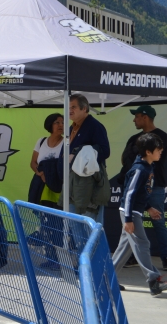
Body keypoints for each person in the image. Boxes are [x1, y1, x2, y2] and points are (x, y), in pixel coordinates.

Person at [112, 133, 167, 296]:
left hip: (134, 212)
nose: (161, 151)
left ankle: (106, 277)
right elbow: (129, 194)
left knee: (125, 248)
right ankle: (154, 280)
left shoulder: (148, 167)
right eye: (158, 149)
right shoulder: (139, 169)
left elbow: (141, 192)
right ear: (148, 152)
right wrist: (128, 219)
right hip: (130, 213)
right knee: (142, 244)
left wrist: (148, 207)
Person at [118, 105, 167, 270]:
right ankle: (132, 259)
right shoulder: (134, 140)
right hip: (136, 186)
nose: (134, 120)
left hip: (157, 185)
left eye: (137, 116)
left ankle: (165, 258)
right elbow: (124, 159)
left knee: (158, 221)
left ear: (145, 117)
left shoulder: (163, 137)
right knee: (131, 226)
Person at [67, 93, 111, 222]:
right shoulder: (71, 128)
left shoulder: (95, 126)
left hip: (89, 186)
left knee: (88, 228)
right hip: (73, 185)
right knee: (74, 226)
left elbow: (105, 151)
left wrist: (77, 156)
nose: (69, 110)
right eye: (68, 107)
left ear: (84, 108)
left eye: (73, 107)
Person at [29, 113, 65, 207]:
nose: (61, 125)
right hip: (41, 185)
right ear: (50, 125)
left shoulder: (66, 143)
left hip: (58, 186)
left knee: (57, 215)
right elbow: (33, 162)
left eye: (63, 122)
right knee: (43, 215)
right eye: (57, 122)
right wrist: (39, 172)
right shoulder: (41, 141)